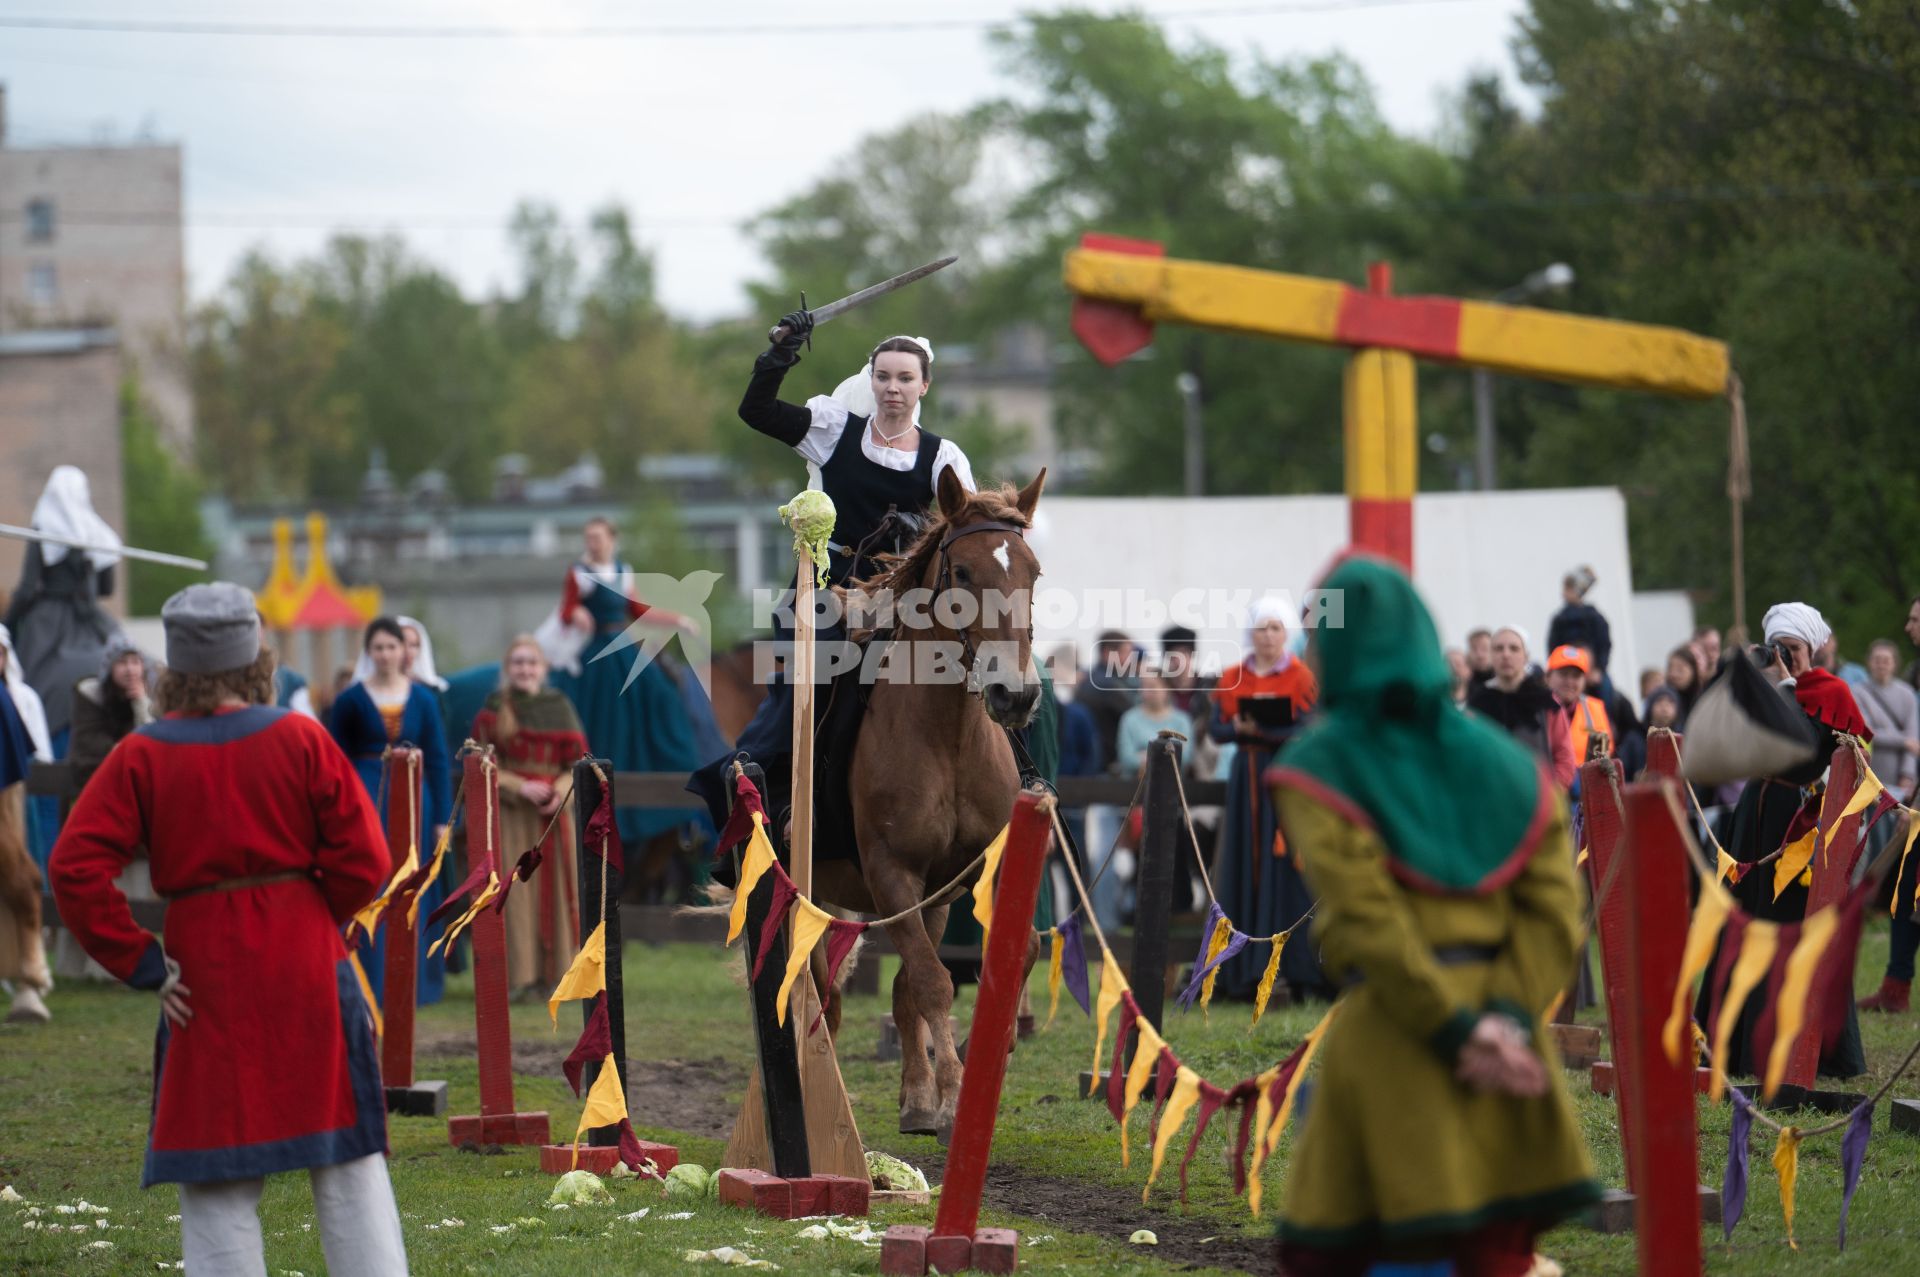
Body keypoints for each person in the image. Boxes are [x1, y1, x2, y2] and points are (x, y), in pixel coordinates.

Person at [48, 582, 406, 1275]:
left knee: (217, 1178)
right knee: (347, 1165)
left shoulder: (142, 753)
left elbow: (73, 866)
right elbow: (367, 857)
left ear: (172, 670)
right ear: (257, 660)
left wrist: (141, 960)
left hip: (202, 970)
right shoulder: (303, 737)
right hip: (303, 955)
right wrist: (314, 916)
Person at [1270, 556, 1598, 1275]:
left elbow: (1366, 923)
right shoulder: (1515, 768)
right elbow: (1552, 922)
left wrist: (1457, 1031)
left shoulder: (1319, 765)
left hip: (1398, 1039)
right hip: (1512, 1054)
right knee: (1495, 1255)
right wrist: (1505, 1021)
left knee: (1378, 1250)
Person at [687, 316, 975, 838]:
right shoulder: (832, 431)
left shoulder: (942, 457)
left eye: (905, 378)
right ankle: (764, 795)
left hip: (898, 599)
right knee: (814, 683)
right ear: (872, 381)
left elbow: (967, 527)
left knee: (977, 673)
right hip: (825, 589)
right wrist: (781, 352)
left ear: (923, 386)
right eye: (883, 376)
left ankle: (1013, 782)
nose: (892, 387)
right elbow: (756, 411)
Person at [1700, 601, 1870, 1070]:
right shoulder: (1764, 687)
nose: (1785, 656)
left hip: (1800, 822)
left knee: (1793, 920)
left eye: (1792, 648)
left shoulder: (1830, 691)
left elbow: (1807, 754)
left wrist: (1788, 686)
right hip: (1753, 819)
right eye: (1778, 648)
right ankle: (1734, 1039)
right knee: (1742, 917)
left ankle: (1804, 1043)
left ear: (1810, 648)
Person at [330, 616, 452, 1007]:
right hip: (365, 797)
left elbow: (437, 759)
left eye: (392, 647)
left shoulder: (423, 700)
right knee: (373, 877)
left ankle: (417, 982)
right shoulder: (351, 699)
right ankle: (368, 975)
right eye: (378, 647)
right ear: (369, 652)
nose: (385, 654)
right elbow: (335, 759)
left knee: (411, 879)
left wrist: (441, 819)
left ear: (404, 652)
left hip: (418, 797)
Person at [5, 467, 121, 871]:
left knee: (24, 687)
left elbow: (25, 588)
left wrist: (9, 623)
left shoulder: (46, 530)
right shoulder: (98, 534)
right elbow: (107, 588)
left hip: (49, 629)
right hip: (91, 624)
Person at [1209, 598, 1321, 999]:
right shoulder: (1233, 677)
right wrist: (1246, 729)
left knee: (1285, 867)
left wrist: (1259, 730)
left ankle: (1292, 967)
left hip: (1283, 777)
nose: (1268, 636)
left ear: (1286, 633)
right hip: (1247, 779)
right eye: (1261, 628)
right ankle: (1241, 969)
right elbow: (1218, 730)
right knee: (1243, 864)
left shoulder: (1302, 677)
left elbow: (1306, 728)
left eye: (1276, 628)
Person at [471, 637, 588, 1000]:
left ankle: (558, 975)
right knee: (518, 892)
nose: (525, 669)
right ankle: (521, 977)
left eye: (531, 663)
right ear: (509, 669)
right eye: (518, 663)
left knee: (557, 887)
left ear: (543, 668)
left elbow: (578, 762)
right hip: (513, 815)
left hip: (554, 814)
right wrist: (520, 786)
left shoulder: (561, 707)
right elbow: (480, 764)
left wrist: (560, 789)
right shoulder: (493, 711)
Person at [1467, 627, 1576, 789]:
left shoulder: (1546, 701)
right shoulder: (1477, 704)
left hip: (1540, 800)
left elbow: (1564, 756)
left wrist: (1553, 794)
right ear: (1491, 655)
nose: (1506, 654)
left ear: (1526, 656)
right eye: (1498, 648)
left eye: (1514, 648)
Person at [68, 634, 154, 800]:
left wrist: (141, 704)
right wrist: (123, 751)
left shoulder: (151, 698)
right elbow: (89, 740)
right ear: (110, 667)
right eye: (122, 662)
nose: (130, 669)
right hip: (93, 779)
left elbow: (149, 738)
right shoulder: (90, 694)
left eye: (135, 662)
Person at [1857, 639, 1919, 802]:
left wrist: (1908, 774)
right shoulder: (1858, 692)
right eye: (1877, 660)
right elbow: (1867, 732)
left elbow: (1913, 738)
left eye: (1886, 661)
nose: (1881, 665)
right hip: (1869, 773)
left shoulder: (1907, 694)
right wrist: (1903, 740)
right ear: (1869, 662)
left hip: (1900, 776)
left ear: (1894, 664)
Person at [1546, 646, 1613, 773]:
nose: (1569, 682)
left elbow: (1606, 752)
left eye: (1576, 676)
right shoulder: (1538, 709)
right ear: (1548, 676)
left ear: (1584, 681)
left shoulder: (1595, 708)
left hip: (1586, 784)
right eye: (1563, 674)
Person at [1545, 565, 1611, 684]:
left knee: (1606, 688)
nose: (1565, 593)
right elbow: (1553, 648)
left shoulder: (1593, 617)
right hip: (1566, 666)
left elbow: (1604, 645)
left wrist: (1599, 669)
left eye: (1569, 589)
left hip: (1592, 670)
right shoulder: (1560, 618)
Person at [1662, 645, 1704, 727]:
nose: (1673, 674)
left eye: (1680, 669)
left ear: (1693, 671)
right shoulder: (1661, 700)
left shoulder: (1702, 701)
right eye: (1670, 668)